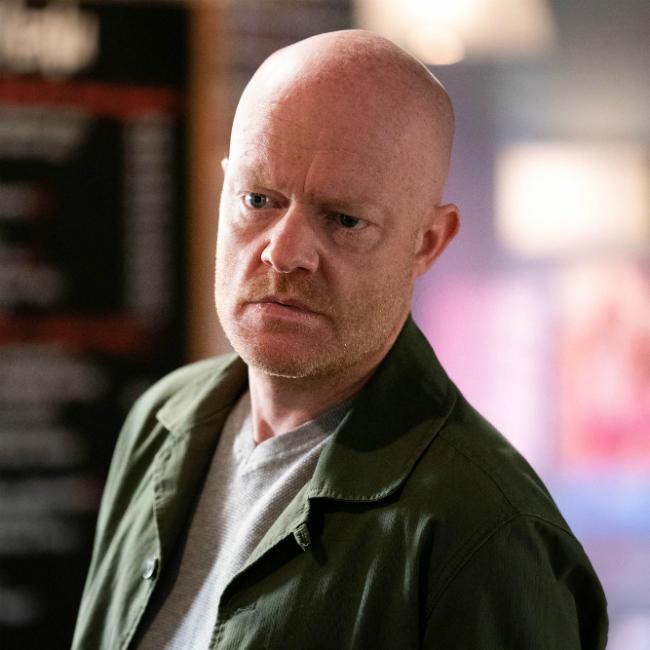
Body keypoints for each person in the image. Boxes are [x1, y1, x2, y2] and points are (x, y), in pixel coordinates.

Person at [72, 30, 608, 649]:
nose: (283, 251)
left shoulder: (488, 533)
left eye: (345, 220)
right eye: (258, 199)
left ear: (428, 242)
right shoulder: (163, 421)